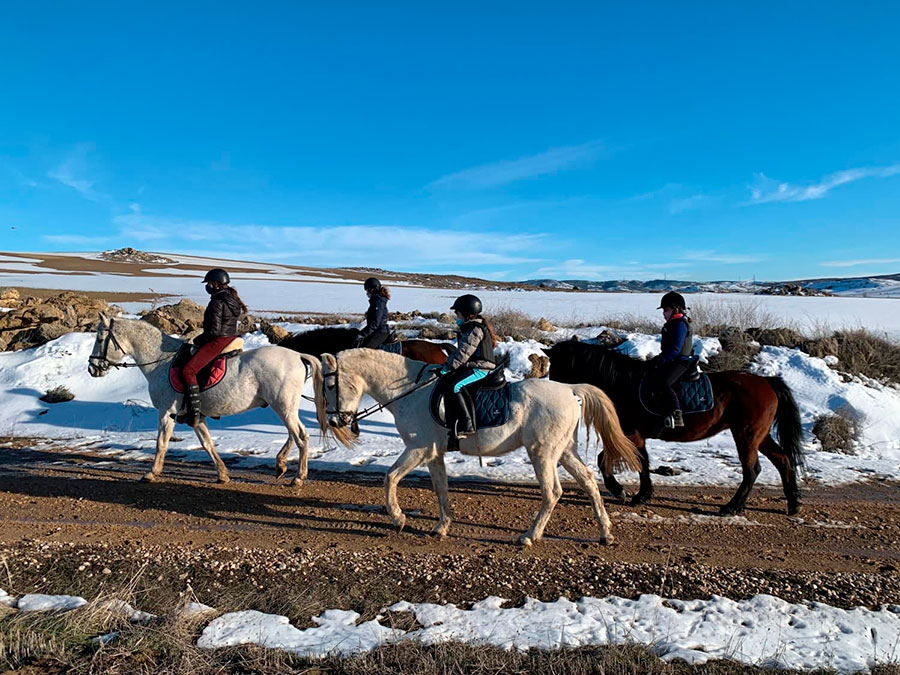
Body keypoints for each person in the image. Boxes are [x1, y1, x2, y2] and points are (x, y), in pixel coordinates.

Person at [177, 268, 247, 426]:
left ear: (216, 284)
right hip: (229, 337)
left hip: (218, 340)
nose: (207, 286)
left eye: (209, 283)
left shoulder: (217, 301)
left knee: (188, 370)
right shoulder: (231, 298)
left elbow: (214, 330)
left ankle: (194, 413)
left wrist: (199, 339)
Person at [440, 294, 498, 446]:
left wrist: (447, 367)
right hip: (475, 365)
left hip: (480, 368)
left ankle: (467, 424)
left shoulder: (474, 330)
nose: (456, 316)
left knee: (455, 386)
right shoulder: (470, 327)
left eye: (457, 313)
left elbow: (463, 353)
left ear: (466, 314)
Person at [648, 291, 694, 428]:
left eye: (666, 310)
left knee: (663, 382)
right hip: (672, 360)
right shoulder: (672, 323)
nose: (664, 313)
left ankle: (676, 414)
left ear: (677, 309)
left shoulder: (679, 324)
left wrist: (658, 361)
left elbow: (675, 349)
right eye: (663, 310)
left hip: (681, 361)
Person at [352, 277, 391, 349]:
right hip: (377, 330)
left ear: (372, 289)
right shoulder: (376, 300)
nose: (367, 293)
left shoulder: (378, 301)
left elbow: (375, 322)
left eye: (367, 290)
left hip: (380, 331)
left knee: (365, 351)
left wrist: (363, 334)